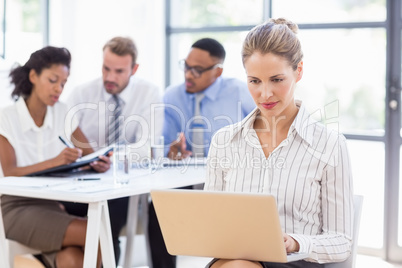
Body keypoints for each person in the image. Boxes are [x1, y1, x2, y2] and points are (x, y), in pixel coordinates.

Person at [204, 18, 354, 268]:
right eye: (254, 81)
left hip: (294, 261)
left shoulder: (330, 144)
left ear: (299, 71)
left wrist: (295, 242)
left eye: (276, 79)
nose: (265, 94)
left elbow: (341, 241)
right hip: (234, 259)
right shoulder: (224, 140)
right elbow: (211, 223)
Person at [148, 38, 255, 268]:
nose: (188, 74)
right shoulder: (172, 96)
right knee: (158, 207)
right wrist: (171, 151)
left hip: (230, 180)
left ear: (218, 72)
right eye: (186, 66)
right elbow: (164, 146)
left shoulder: (240, 93)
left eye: (197, 70)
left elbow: (263, 133)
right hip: (185, 179)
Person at [0, 46, 109, 268]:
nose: (58, 88)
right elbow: (9, 172)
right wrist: (56, 161)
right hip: (14, 209)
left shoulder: (62, 112)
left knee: (73, 260)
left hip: (51, 206)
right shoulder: (6, 118)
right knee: (97, 233)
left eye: (63, 83)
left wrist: (99, 162)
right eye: (53, 80)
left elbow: (90, 153)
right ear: (33, 76)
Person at [65, 36, 163, 264]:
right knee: (66, 223)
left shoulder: (149, 94)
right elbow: (62, 131)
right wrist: (87, 158)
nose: (110, 77)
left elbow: (144, 147)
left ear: (134, 68)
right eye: (106, 68)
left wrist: (111, 159)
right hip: (80, 179)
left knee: (107, 229)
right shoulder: (82, 93)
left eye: (119, 71)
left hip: (120, 181)